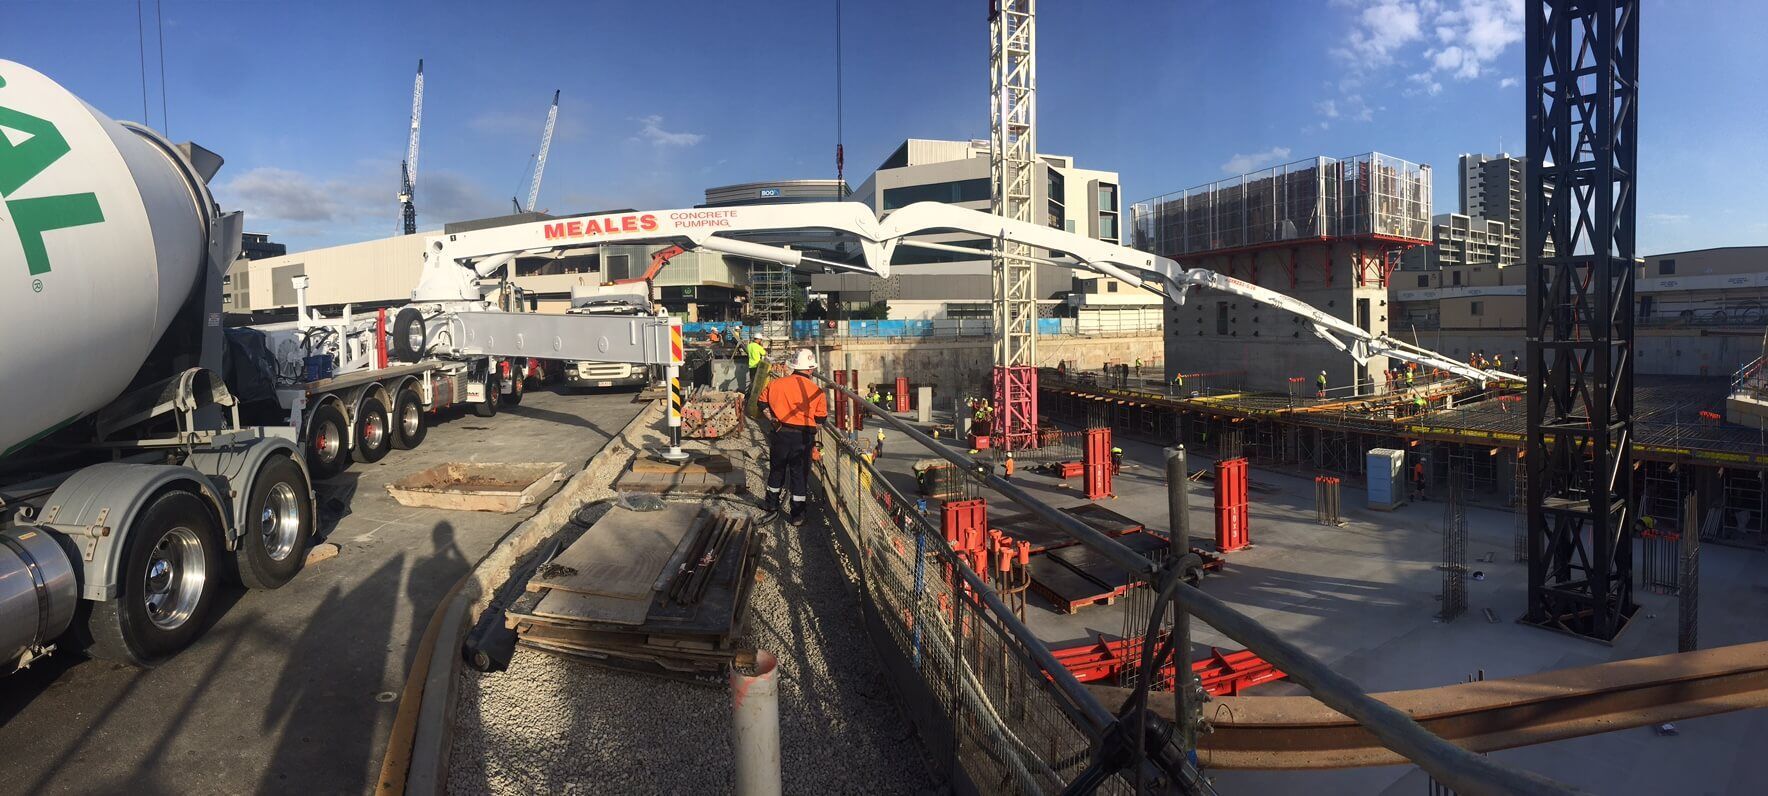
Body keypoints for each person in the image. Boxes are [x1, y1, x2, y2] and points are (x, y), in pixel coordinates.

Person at [760, 349, 828, 525]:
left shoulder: (776, 384)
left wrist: (774, 420)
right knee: (799, 475)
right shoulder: (817, 391)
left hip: (780, 433)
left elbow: (762, 403)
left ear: (794, 366)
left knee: (777, 470)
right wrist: (811, 435)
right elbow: (820, 420)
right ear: (811, 369)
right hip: (803, 437)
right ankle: (797, 515)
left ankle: (771, 505)